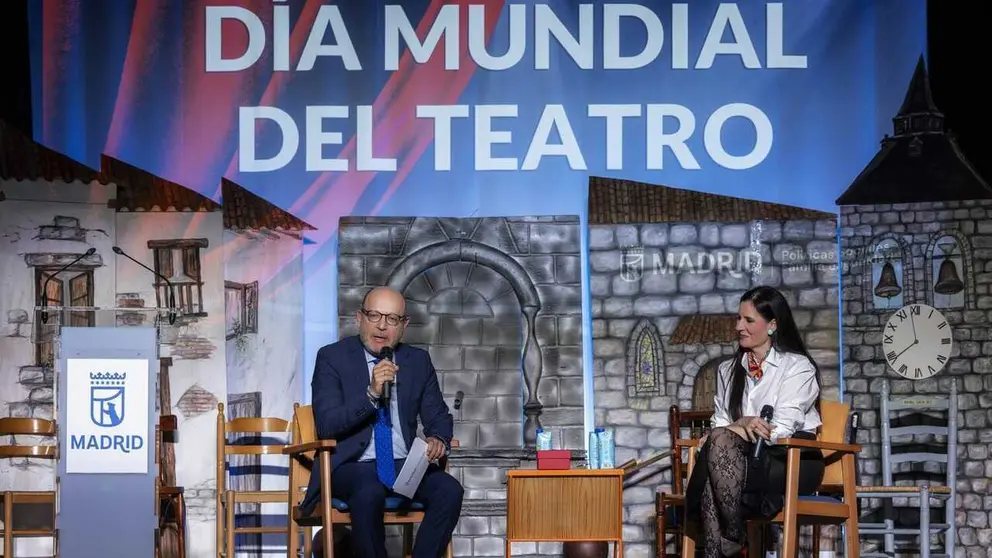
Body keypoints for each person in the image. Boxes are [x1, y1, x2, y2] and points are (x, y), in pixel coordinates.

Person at [300, 286, 464, 558]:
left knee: (449, 490)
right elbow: (327, 425)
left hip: (403, 465)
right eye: (375, 315)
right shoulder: (332, 357)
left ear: (404, 325)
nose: (382, 326)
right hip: (351, 465)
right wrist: (371, 394)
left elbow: (438, 416)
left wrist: (438, 438)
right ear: (359, 318)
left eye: (392, 319)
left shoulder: (417, 361)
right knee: (369, 491)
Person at [685, 285, 825, 557]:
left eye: (748, 320)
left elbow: (781, 427)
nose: (739, 326)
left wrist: (739, 428)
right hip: (742, 457)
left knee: (716, 470)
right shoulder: (728, 370)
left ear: (772, 325)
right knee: (720, 455)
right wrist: (743, 423)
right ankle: (732, 536)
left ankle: (729, 539)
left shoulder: (798, 367)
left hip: (790, 458)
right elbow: (720, 424)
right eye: (738, 318)